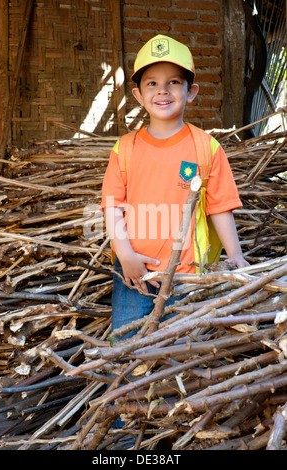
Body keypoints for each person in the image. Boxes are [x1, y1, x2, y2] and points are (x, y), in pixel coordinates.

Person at [101, 34, 249, 338]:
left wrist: (234, 253)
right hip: (134, 274)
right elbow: (112, 208)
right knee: (130, 349)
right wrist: (125, 255)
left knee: (183, 351)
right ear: (139, 95)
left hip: (188, 273)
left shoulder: (206, 148)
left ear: (191, 91)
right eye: (152, 83)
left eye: (174, 82)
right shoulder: (124, 149)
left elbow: (219, 206)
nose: (162, 91)